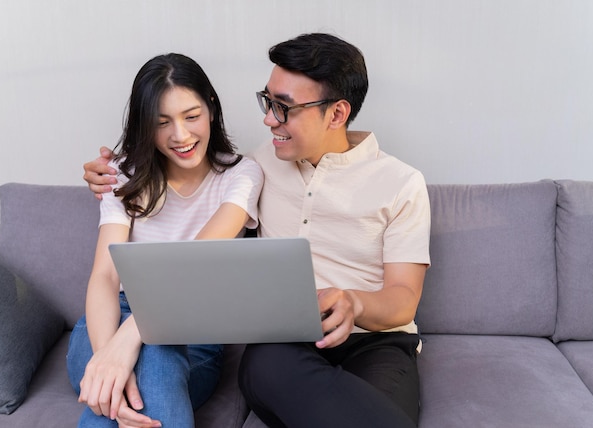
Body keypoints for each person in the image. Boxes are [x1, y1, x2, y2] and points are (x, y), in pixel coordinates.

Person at [83, 33, 430, 428]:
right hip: (286, 343)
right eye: (268, 102)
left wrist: (357, 303)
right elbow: (181, 169)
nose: (268, 120)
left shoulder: (402, 183)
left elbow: (404, 299)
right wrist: (107, 175)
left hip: (374, 342)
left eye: (283, 108)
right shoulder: (259, 166)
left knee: (370, 412)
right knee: (264, 365)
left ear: (336, 114)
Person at [68, 53, 263, 428]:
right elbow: (106, 278)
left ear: (211, 109)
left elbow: (191, 264)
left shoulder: (241, 175)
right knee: (132, 382)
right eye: (162, 123)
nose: (181, 135)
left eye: (191, 116)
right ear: (145, 126)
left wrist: (130, 339)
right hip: (108, 324)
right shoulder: (122, 175)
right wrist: (110, 355)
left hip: (193, 333)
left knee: (153, 361)